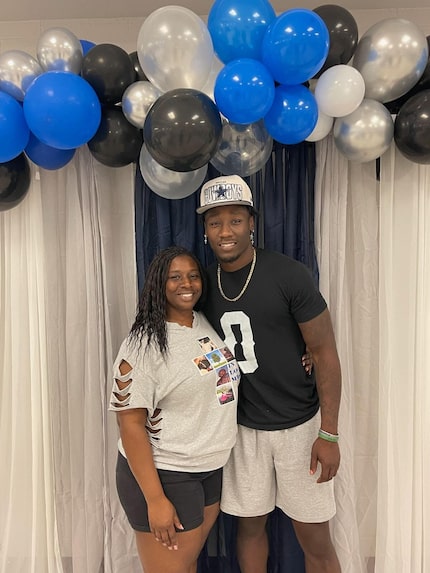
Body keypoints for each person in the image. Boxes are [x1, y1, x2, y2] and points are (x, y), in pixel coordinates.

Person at [196, 175, 342, 573]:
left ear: (252, 222)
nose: (225, 231)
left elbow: (325, 353)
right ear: (205, 230)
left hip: (300, 426)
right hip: (242, 429)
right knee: (249, 529)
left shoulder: (289, 275)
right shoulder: (199, 285)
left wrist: (328, 433)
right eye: (214, 222)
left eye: (235, 220)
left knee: (315, 539)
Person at [109, 246, 240, 573]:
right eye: (176, 277)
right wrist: (155, 500)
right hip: (167, 473)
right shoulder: (143, 344)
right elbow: (130, 426)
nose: (187, 284)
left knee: (185, 564)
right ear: (158, 284)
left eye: (193, 276)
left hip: (209, 467)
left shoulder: (201, 321)